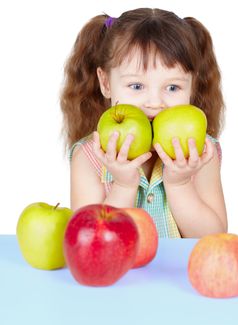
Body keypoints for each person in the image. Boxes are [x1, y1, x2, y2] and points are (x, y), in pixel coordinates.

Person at [60, 8, 228, 238]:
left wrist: (180, 184)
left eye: (172, 87)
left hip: (176, 275)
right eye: (137, 86)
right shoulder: (90, 158)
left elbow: (213, 236)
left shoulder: (200, 152)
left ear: (192, 86)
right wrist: (123, 185)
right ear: (106, 83)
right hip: (122, 275)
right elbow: (89, 239)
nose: (155, 102)